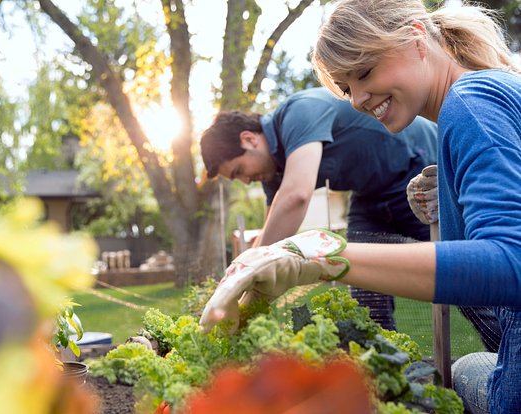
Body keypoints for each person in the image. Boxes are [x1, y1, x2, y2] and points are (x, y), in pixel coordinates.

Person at [200, 1, 521, 413]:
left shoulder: (468, 104)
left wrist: (322, 256)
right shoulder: (484, 95)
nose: (356, 100)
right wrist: (449, 182)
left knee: (464, 371)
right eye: (347, 87)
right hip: (373, 198)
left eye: (365, 72)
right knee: (451, 355)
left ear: (417, 37)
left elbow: (512, 260)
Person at [200, 87, 500, 347]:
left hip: (418, 173)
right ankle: (400, 378)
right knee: (368, 298)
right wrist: (237, 297)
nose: (245, 181)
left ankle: (512, 361)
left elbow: (296, 197)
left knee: (465, 276)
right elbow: (271, 234)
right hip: (369, 197)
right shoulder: (271, 173)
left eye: (239, 171)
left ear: (249, 138)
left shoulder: (298, 112)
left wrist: (243, 270)